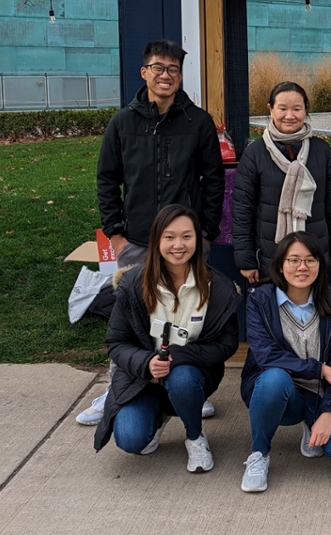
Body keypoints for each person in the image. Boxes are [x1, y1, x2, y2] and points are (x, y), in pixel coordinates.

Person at [81, 39, 225, 426]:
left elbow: (214, 181)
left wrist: (206, 231)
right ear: (144, 72)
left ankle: (187, 391)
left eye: (173, 69)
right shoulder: (122, 123)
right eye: (159, 68)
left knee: (185, 317)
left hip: (187, 243)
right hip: (138, 241)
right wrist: (115, 233)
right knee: (131, 321)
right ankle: (118, 389)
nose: (166, 75)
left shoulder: (198, 123)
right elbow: (107, 180)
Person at [93, 204, 240, 473]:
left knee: (181, 377)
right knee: (130, 440)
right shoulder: (132, 283)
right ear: (156, 240)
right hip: (142, 379)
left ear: (198, 239)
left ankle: (195, 436)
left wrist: (178, 356)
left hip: (191, 376)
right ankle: (159, 414)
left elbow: (226, 344)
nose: (178, 245)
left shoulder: (218, 287)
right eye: (169, 237)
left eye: (187, 236)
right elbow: (116, 343)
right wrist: (146, 363)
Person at [239, 232, 331, 493]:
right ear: (280, 264)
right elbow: (266, 355)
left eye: (310, 260)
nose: (302, 267)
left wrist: (328, 413)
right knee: (274, 377)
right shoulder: (260, 300)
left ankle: (313, 422)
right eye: (293, 260)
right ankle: (259, 454)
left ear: (320, 263)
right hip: (282, 393)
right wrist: (320, 369)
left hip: (320, 394)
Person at [232, 81, 331, 288]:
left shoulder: (322, 151)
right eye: (282, 108)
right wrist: (246, 260)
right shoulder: (255, 154)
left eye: (297, 109)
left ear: (306, 111)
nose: (289, 116)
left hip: (313, 257)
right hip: (271, 258)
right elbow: (243, 210)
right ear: (271, 109)